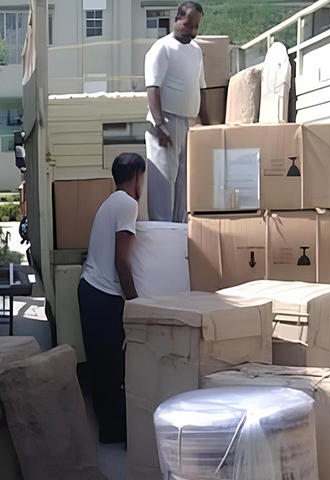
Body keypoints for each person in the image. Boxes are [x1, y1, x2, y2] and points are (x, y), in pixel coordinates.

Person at [78, 152, 145, 443]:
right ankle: (117, 432)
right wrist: (136, 302)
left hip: (90, 289)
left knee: (101, 365)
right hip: (103, 295)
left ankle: (108, 430)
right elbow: (122, 260)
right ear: (137, 177)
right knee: (113, 367)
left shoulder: (110, 202)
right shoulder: (128, 204)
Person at [144, 1, 208, 223]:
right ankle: (162, 228)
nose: (193, 32)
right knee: (162, 179)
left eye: (196, 27)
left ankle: (181, 228)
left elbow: (201, 89)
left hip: (188, 122)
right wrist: (159, 124)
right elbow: (153, 87)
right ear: (177, 19)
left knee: (184, 180)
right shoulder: (162, 48)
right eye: (189, 25)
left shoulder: (196, 51)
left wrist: (207, 125)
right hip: (165, 122)